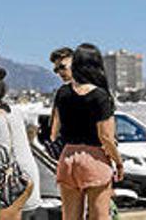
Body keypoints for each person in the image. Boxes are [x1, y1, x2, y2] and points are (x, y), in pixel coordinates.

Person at [54, 43, 124, 220]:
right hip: (95, 159)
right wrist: (119, 162)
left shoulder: (62, 92)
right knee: (99, 216)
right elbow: (106, 137)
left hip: (67, 157)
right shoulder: (100, 96)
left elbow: (55, 131)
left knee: (69, 217)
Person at [0, 67, 40, 220]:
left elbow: (3, 152)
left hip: (15, 180)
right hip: (27, 173)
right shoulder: (13, 110)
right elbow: (31, 128)